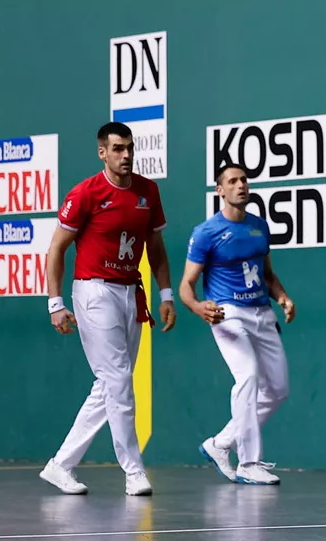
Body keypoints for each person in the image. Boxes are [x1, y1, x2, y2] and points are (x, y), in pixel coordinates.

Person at [41, 122, 175, 496]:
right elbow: (56, 249)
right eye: (117, 149)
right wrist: (56, 304)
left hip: (131, 294)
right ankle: (133, 471)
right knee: (118, 380)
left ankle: (60, 465)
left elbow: (156, 248)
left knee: (110, 385)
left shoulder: (148, 191)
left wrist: (166, 294)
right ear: (103, 152)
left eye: (130, 147)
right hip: (94, 293)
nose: (126, 155)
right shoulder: (86, 193)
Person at [180, 162, 295, 486]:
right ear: (220, 190)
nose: (240, 185)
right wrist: (197, 307)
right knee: (248, 377)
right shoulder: (206, 232)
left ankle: (219, 444)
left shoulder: (259, 226)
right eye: (232, 181)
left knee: (278, 390)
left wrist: (283, 298)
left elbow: (267, 276)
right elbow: (186, 284)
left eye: (244, 179)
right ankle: (249, 462)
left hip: (262, 312)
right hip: (228, 314)